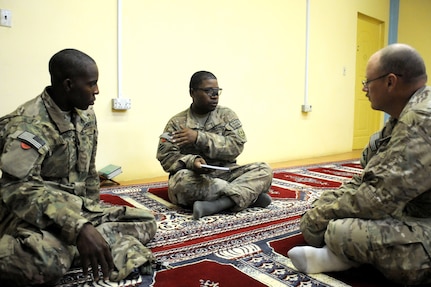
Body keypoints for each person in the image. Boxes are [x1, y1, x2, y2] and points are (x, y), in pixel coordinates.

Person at [0, 49, 157, 286]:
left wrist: (88, 217)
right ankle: (68, 247)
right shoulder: (29, 125)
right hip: (30, 215)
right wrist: (78, 227)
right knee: (45, 265)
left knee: (147, 222)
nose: (97, 91)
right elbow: (18, 190)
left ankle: (74, 246)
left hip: (75, 208)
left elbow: (89, 173)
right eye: (91, 84)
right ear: (68, 85)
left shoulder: (86, 114)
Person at [288, 43, 431, 285]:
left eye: (367, 82)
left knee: (343, 232)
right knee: (338, 216)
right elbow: (371, 177)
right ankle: (342, 256)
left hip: (421, 215)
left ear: (390, 82)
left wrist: (319, 217)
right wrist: (328, 202)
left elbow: (376, 198)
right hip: (417, 209)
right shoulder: (404, 116)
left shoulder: (421, 120)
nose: (364, 89)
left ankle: (342, 257)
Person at [156, 70, 273, 220]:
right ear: (192, 93)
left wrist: (199, 137)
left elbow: (236, 146)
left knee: (264, 170)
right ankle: (249, 196)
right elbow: (166, 157)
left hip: (226, 172)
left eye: (217, 91)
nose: (215, 95)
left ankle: (217, 204)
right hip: (196, 177)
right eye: (208, 91)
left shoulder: (226, 115)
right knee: (180, 183)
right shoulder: (177, 123)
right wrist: (192, 161)